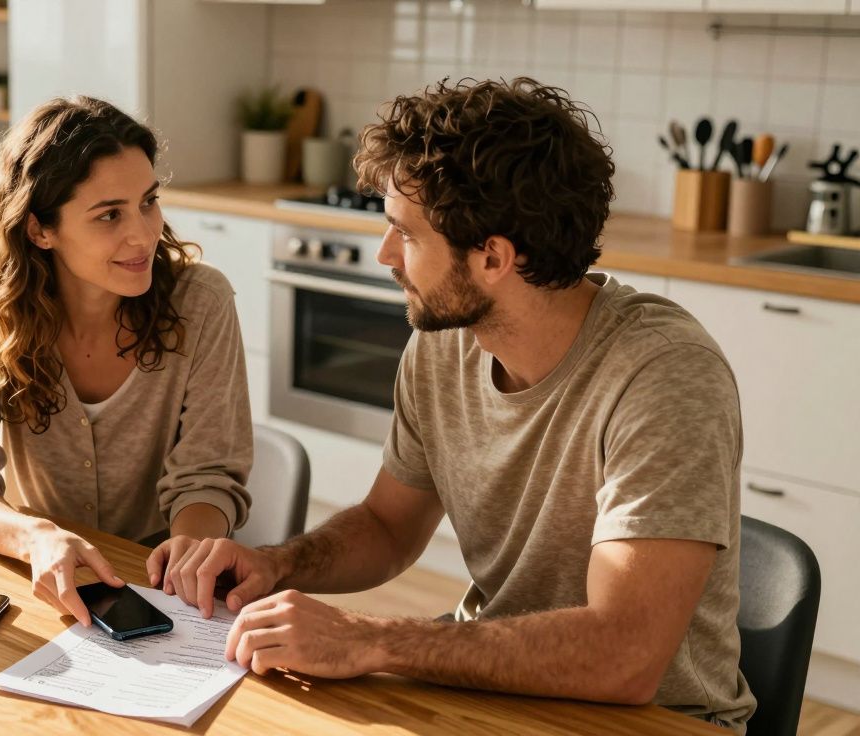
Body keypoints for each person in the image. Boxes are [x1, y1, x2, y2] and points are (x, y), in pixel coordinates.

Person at [167, 78, 756, 732]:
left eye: (405, 236)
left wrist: (371, 639)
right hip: (493, 694)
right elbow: (389, 528)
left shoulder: (663, 375)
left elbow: (625, 657)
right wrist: (276, 565)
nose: (385, 255)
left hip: (656, 720)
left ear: (494, 257)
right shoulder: (446, 347)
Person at [0, 96, 252, 628]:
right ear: (39, 230)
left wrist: (187, 550)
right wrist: (32, 536)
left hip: (163, 588)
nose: (142, 234)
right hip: (36, 572)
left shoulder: (201, 303)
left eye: (148, 201)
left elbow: (207, 475)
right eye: (109, 214)